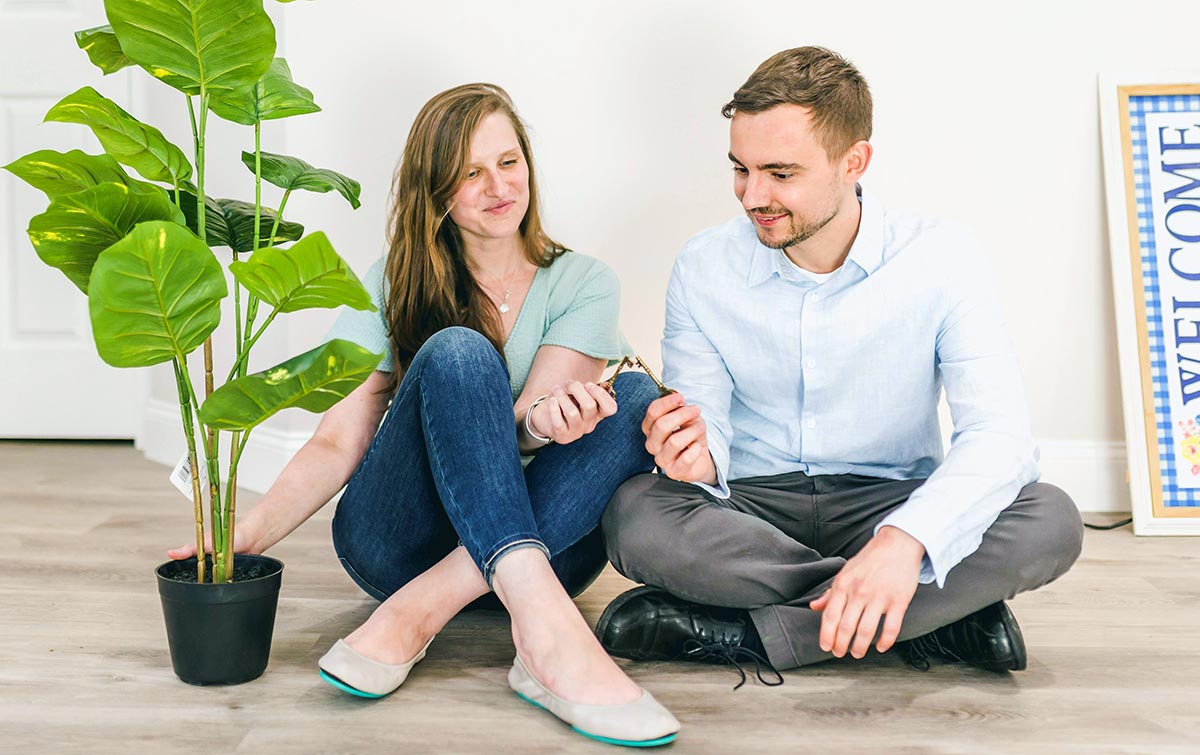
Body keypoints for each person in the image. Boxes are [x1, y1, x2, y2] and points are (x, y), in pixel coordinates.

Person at [169, 83, 679, 747]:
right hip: (399, 542)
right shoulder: (390, 282)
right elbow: (337, 440)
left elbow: (528, 417)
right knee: (460, 353)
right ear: (435, 191)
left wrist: (546, 424)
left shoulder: (582, 280)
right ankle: (547, 641)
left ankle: (421, 610)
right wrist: (250, 532)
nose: (497, 186)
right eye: (470, 173)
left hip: (545, 547)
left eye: (508, 161)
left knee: (639, 400)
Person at [595, 47, 1084, 682]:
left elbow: (1000, 438)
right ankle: (933, 616)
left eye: (779, 172)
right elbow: (706, 419)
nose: (753, 195)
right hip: (752, 511)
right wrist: (697, 452)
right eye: (740, 169)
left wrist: (904, 543)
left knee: (1051, 519)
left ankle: (745, 632)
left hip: (892, 501)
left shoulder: (943, 258)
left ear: (854, 162)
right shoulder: (703, 266)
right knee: (635, 513)